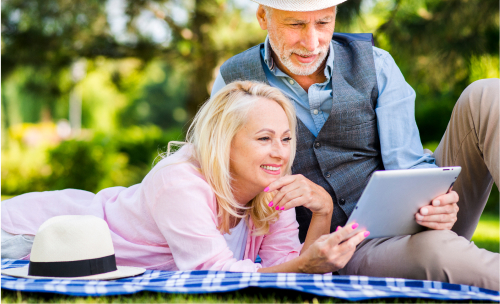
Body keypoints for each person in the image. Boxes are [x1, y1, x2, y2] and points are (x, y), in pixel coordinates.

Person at [211, 0, 499, 290]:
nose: (312, 41)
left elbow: (407, 165)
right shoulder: (234, 82)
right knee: (436, 250)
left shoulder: (376, 64)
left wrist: (439, 202)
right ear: (263, 17)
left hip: (418, 221)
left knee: (488, 94)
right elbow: (219, 181)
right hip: (337, 247)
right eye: (296, 24)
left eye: (323, 22)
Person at [2, 81, 369, 274]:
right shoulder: (180, 181)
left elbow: (284, 273)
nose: (281, 152)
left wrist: (321, 214)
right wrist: (304, 265)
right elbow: (215, 275)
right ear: (224, 142)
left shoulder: (272, 189)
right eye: (264, 139)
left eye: (286, 139)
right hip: (33, 231)